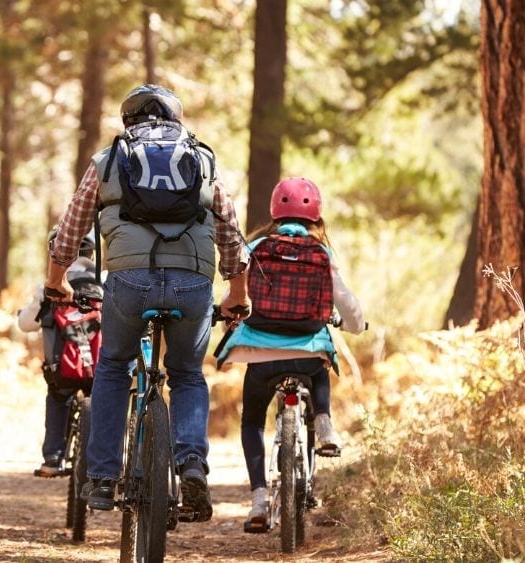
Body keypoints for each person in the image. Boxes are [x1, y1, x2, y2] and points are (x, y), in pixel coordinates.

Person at [45, 84, 250, 524]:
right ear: (177, 119)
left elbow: (71, 228)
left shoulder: (109, 159)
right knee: (188, 374)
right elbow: (230, 229)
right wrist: (238, 291)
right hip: (193, 283)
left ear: (128, 121)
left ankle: (100, 479)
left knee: (114, 367)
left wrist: (55, 281)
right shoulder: (203, 158)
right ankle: (191, 462)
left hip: (129, 282)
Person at [215, 177, 365, 531]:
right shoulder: (321, 253)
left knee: (252, 421)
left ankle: (258, 499)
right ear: (316, 216)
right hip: (306, 349)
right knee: (320, 363)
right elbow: (347, 303)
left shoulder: (257, 247)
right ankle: (324, 421)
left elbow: (235, 294)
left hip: (262, 350)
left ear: (275, 212)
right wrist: (356, 325)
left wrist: (226, 319)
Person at [17, 227, 100, 477]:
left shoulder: (48, 288)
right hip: (101, 368)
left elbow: (26, 324)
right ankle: (106, 463)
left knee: (58, 397)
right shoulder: (104, 281)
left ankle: (53, 457)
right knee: (107, 401)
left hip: (61, 369)